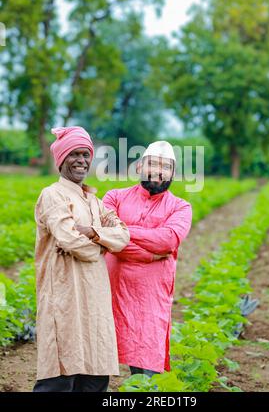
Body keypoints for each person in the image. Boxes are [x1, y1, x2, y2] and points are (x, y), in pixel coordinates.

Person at [33, 126, 130, 392]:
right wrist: (101, 246)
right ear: (61, 159)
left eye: (85, 154)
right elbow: (69, 239)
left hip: (95, 297)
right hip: (63, 296)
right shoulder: (52, 195)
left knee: (95, 376)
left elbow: (122, 235)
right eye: (74, 154)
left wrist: (94, 233)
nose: (81, 160)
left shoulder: (94, 201)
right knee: (60, 376)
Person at [102, 141, 192, 377]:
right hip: (111, 290)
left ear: (173, 173)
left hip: (151, 296)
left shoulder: (181, 207)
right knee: (98, 357)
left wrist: (124, 232)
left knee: (146, 369)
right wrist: (151, 254)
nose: (158, 171)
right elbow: (107, 237)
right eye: (153, 164)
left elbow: (168, 240)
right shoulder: (114, 197)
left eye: (166, 167)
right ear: (140, 166)